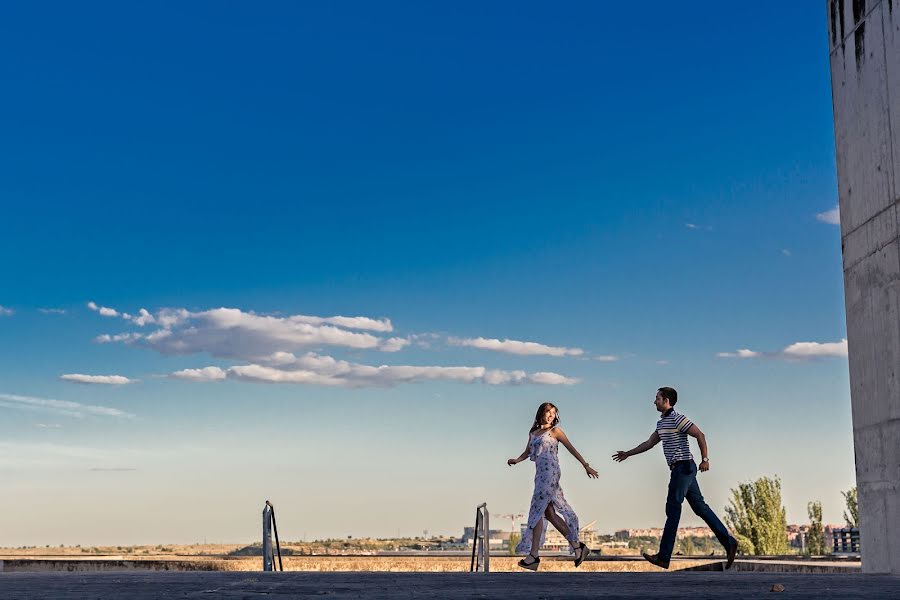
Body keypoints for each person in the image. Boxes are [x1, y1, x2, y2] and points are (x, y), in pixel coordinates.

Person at [612, 387, 738, 569]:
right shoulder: (661, 423)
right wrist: (627, 454)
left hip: (684, 467)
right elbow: (648, 444)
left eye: (657, 398)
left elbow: (699, 435)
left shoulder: (678, 418)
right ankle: (729, 542)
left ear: (667, 400)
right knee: (700, 508)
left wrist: (705, 459)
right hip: (679, 469)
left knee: (673, 508)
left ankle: (664, 556)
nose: (654, 401)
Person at [508, 402, 598, 571]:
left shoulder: (555, 431)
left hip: (551, 474)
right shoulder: (534, 433)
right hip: (540, 476)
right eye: (548, 412)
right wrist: (516, 460)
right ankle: (578, 547)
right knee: (547, 512)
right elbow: (528, 452)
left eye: (553, 413)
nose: (551, 415)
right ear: (541, 413)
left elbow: (572, 449)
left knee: (537, 511)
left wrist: (586, 465)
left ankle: (534, 555)